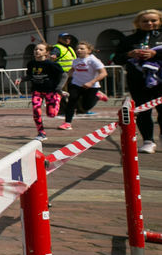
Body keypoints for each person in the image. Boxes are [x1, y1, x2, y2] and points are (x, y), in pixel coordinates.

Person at [113, 9, 162, 154]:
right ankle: (148, 141)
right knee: (143, 110)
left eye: (153, 20)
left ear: (159, 21)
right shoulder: (129, 39)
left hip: (160, 80)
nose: (149, 23)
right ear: (138, 23)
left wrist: (155, 53)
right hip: (137, 81)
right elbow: (117, 58)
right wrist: (130, 54)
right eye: (145, 21)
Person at [58, 41, 107, 130]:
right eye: (77, 49)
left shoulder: (93, 60)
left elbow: (103, 73)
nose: (79, 50)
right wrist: (63, 80)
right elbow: (72, 70)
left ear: (89, 50)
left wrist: (91, 82)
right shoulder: (76, 61)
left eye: (82, 49)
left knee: (85, 107)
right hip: (76, 84)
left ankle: (98, 96)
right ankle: (67, 123)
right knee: (71, 102)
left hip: (91, 86)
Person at [24, 43, 67, 141]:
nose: (37, 51)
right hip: (37, 90)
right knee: (36, 110)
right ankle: (41, 132)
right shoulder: (31, 64)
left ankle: (58, 98)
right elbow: (30, 76)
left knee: (51, 114)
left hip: (50, 91)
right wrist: (21, 79)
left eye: (40, 49)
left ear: (46, 52)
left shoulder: (51, 64)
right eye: (36, 49)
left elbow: (64, 75)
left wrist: (59, 88)